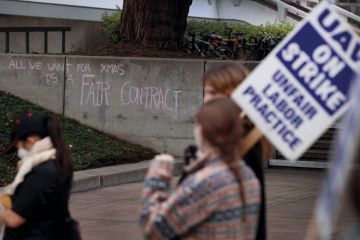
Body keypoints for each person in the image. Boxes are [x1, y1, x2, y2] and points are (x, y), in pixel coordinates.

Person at [139, 98, 261, 239]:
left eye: (198, 123)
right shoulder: (249, 176)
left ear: (204, 131)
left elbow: (153, 230)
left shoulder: (207, 182)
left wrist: (158, 176)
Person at [202, 62, 271, 240]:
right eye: (208, 92)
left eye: (216, 94)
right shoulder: (222, 138)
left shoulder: (243, 142)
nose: (208, 100)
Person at [0, 112, 79, 240]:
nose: (18, 152)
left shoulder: (43, 172)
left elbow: (15, 219)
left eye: (18, 146)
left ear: (30, 140)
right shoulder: (55, 162)